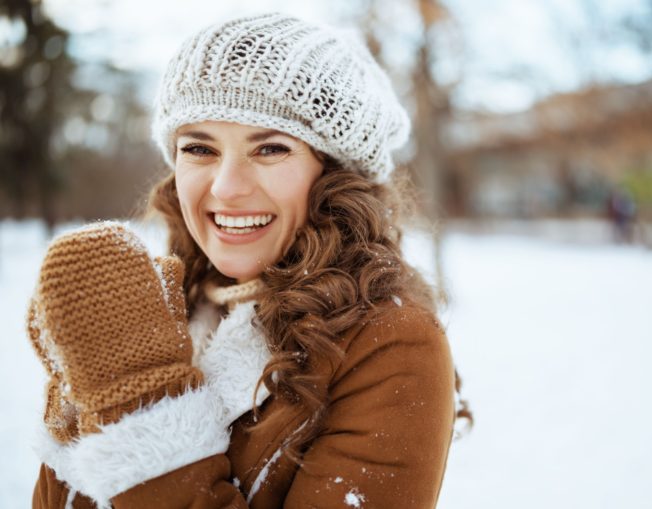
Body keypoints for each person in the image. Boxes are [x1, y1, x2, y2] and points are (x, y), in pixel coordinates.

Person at [28, 12, 466, 509]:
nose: (227, 187)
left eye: (271, 148)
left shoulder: (391, 344)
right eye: (199, 148)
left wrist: (137, 409)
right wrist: (79, 394)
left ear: (335, 174)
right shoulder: (163, 310)